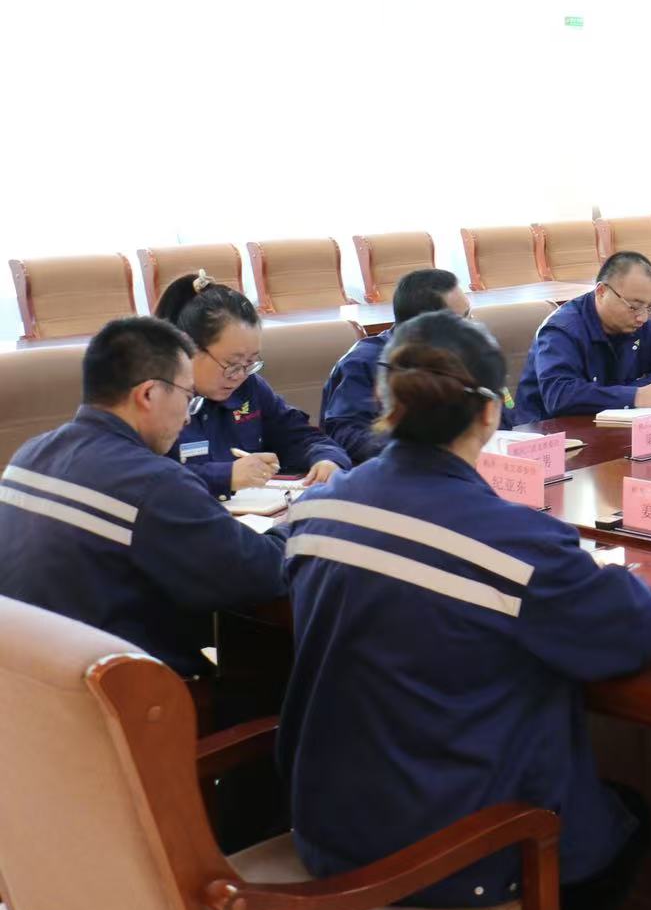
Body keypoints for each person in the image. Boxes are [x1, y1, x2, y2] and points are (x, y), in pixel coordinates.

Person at [279, 312, 651, 910]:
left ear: (385, 400)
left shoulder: (314, 513)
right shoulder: (516, 543)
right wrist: (610, 573)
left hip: (328, 827)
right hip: (461, 851)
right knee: (627, 819)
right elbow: (635, 630)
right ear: (490, 413)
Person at [0, 317, 287, 677]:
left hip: (28, 686)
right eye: (188, 397)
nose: (187, 418)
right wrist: (298, 526)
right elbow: (262, 575)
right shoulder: (154, 483)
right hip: (124, 697)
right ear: (148, 394)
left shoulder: (30, 454)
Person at [156, 273, 350, 497]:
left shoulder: (249, 388)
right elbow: (149, 481)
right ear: (187, 345)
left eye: (250, 363)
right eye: (231, 364)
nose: (239, 375)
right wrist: (226, 476)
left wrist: (327, 459)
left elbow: (299, 436)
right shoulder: (153, 400)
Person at [513, 252, 651, 423]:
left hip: (611, 427)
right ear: (601, 292)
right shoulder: (562, 330)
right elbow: (559, 396)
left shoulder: (638, 324)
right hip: (551, 434)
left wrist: (638, 391)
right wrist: (636, 395)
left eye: (650, 306)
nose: (643, 317)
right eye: (634, 306)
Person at [320, 268, 469, 462]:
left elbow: (498, 415)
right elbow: (347, 434)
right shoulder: (363, 363)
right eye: (462, 319)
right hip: (393, 470)